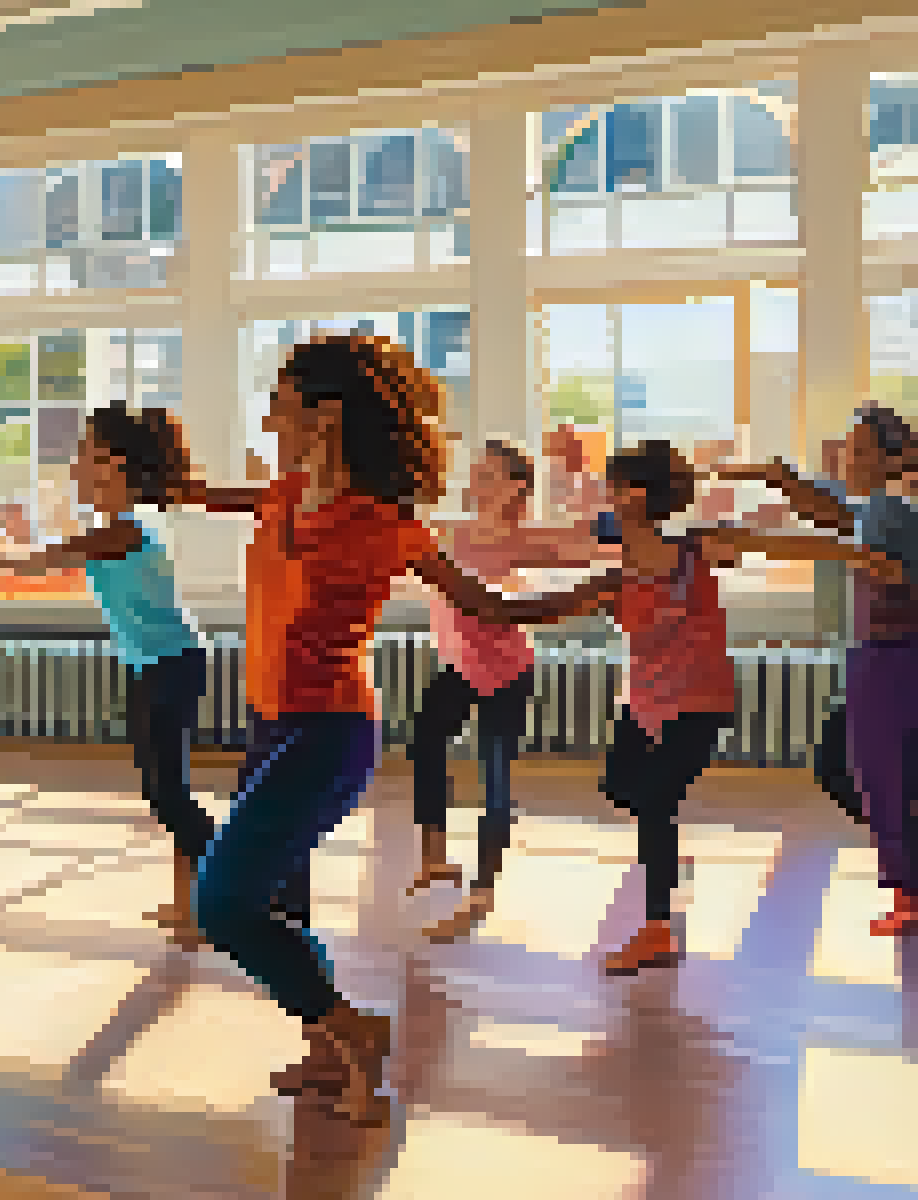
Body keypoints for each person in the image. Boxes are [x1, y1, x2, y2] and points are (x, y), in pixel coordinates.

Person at [167, 335, 627, 1126]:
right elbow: (198, 494)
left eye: (281, 404)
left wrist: (595, 592)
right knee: (275, 900)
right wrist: (153, 467)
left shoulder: (388, 525)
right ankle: (325, 1046)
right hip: (269, 725)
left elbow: (488, 606)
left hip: (327, 735)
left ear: (325, 417)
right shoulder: (281, 495)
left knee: (222, 902)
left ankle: (357, 1030)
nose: (269, 418)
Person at [508, 441, 897, 971]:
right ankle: (667, 864)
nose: (605, 495)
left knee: (654, 804)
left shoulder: (698, 547)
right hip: (644, 700)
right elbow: (551, 583)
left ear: (636, 496)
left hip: (699, 700)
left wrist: (866, 557)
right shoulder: (616, 561)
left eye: (614, 486)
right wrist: (483, 602)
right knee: (621, 786)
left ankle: (658, 930)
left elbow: (781, 545)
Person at [0, 406, 212, 947]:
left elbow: (23, 564)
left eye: (85, 452)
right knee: (165, 790)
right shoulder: (114, 530)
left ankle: (229, 888)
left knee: (166, 792)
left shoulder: (119, 533)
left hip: (171, 665)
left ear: (114, 466)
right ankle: (193, 903)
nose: (74, 465)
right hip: (153, 666)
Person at [717, 410, 918, 934]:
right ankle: (907, 885)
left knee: (874, 774)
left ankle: (908, 892)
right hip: (883, 654)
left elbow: (861, 552)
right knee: (852, 766)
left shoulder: (889, 509)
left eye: (858, 448)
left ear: (886, 457)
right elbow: (832, 513)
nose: (847, 457)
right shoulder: (882, 507)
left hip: (892, 655)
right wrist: (778, 479)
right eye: (849, 447)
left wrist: (759, 541)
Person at [402, 441, 610, 941]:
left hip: (507, 672)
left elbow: (593, 541)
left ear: (516, 487)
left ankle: (481, 893)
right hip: (459, 666)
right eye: (475, 474)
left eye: (488, 476)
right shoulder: (449, 531)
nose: (476, 483)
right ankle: (435, 857)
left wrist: (586, 483)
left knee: (494, 775)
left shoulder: (527, 539)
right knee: (424, 741)